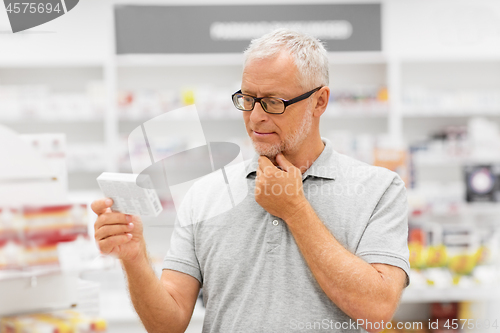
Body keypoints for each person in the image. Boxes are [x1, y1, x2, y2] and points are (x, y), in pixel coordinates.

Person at [92, 28, 410, 333]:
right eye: (247, 99)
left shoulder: (379, 189)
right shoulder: (206, 194)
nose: (256, 117)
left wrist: (295, 210)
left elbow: (377, 310)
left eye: (273, 102)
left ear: (319, 102)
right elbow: (168, 324)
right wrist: (134, 259)